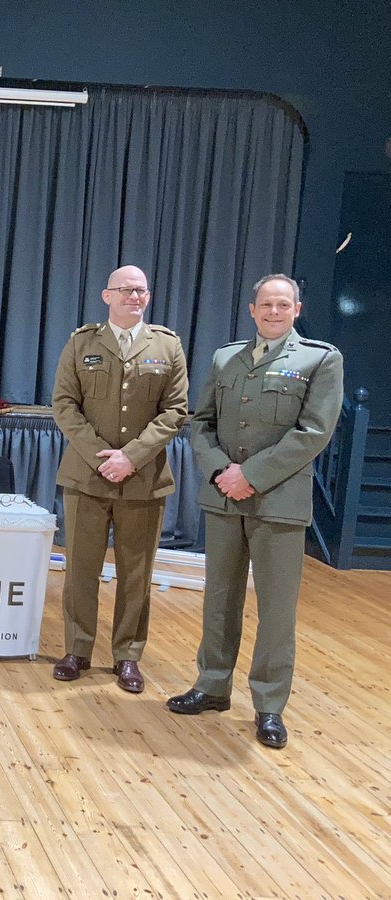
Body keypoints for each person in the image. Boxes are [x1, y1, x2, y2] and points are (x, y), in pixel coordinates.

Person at [167, 274, 343, 749]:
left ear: (297, 310)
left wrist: (252, 475)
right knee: (219, 598)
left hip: (279, 501)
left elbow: (313, 432)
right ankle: (212, 684)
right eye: (266, 304)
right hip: (224, 495)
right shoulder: (227, 357)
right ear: (252, 309)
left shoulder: (320, 359)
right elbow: (201, 422)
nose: (273, 311)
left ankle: (269, 705)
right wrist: (224, 470)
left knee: (276, 610)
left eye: (282, 304)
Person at [51, 265, 188, 693]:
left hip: (142, 478)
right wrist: (101, 457)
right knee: (81, 570)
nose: (135, 296)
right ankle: (77, 649)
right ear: (106, 296)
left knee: (136, 574)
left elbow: (175, 411)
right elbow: (64, 405)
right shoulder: (81, 342)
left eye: (141, 290)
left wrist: (130, 458)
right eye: (126, 290)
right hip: (87, 478)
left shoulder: (167, 346)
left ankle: (128, 655)